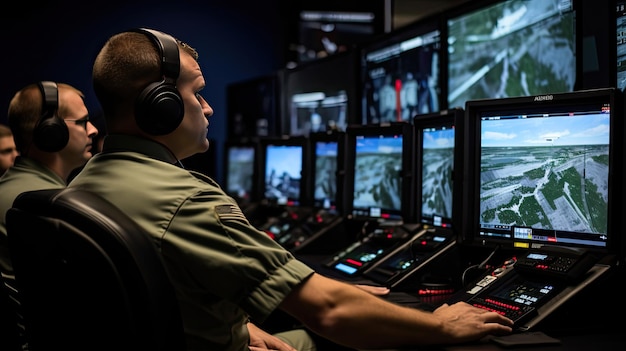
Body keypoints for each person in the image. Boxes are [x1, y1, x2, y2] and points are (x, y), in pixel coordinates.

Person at [69, 28, 513, 351]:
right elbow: (329, 312)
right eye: (197, 93)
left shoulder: (84, 181)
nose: (208, 107)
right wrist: (441, 324)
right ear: (159, 107)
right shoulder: (187, 200)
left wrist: (237, 329)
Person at [0, 81, 99, 349]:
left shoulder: (12, 188)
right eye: (83, 122)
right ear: (50, 132)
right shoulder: (47, 205)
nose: (94, 129)